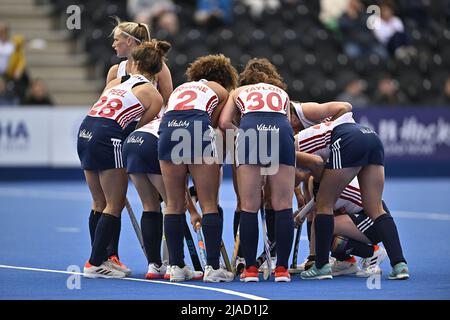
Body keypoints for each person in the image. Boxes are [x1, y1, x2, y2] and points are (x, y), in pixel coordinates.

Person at [78, 39, 169, 278]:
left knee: (98, 202)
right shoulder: (154, 95)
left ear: (135, 64)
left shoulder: (116, 81)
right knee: (114, 203)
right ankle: (95, 262)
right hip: (108, 136)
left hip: (85, 131)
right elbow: (136, 128)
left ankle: (104, 259)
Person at [294, 112, 409, 280]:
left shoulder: (291, 146)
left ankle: (321, 266)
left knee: (325, 207)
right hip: (370, 136)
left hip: (349, 139)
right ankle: (399, 265)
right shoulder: (313, 141)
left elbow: (316, 165)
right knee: (375, 209)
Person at [158, 54, 238, 282]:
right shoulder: (221, 91)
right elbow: (217, 123)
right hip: (195, 128)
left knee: (172, 204)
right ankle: (213, 268)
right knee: (209, 203)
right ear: (224, 77)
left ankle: (176, 267)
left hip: (169, 128)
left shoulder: (180, 88)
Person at [103, 18, 174, 270]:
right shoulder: (116, 71)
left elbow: (168, 105)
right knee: (115, 198)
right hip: (119, 139)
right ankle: (110, 256)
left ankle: (164, 261)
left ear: (131, 42)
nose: (113, 44)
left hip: (148, 136)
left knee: (160, 200)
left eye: (117, 39)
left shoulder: (159, 67)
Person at [219, 58, 295, 283]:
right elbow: (289, 124)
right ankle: (282, 269)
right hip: (280, 131)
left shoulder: (239, 91)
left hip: (250, 129)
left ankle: (250, 269)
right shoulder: (281, 92)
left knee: (249, 206)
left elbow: (224, 123)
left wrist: (242, 133)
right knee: (283, 205)